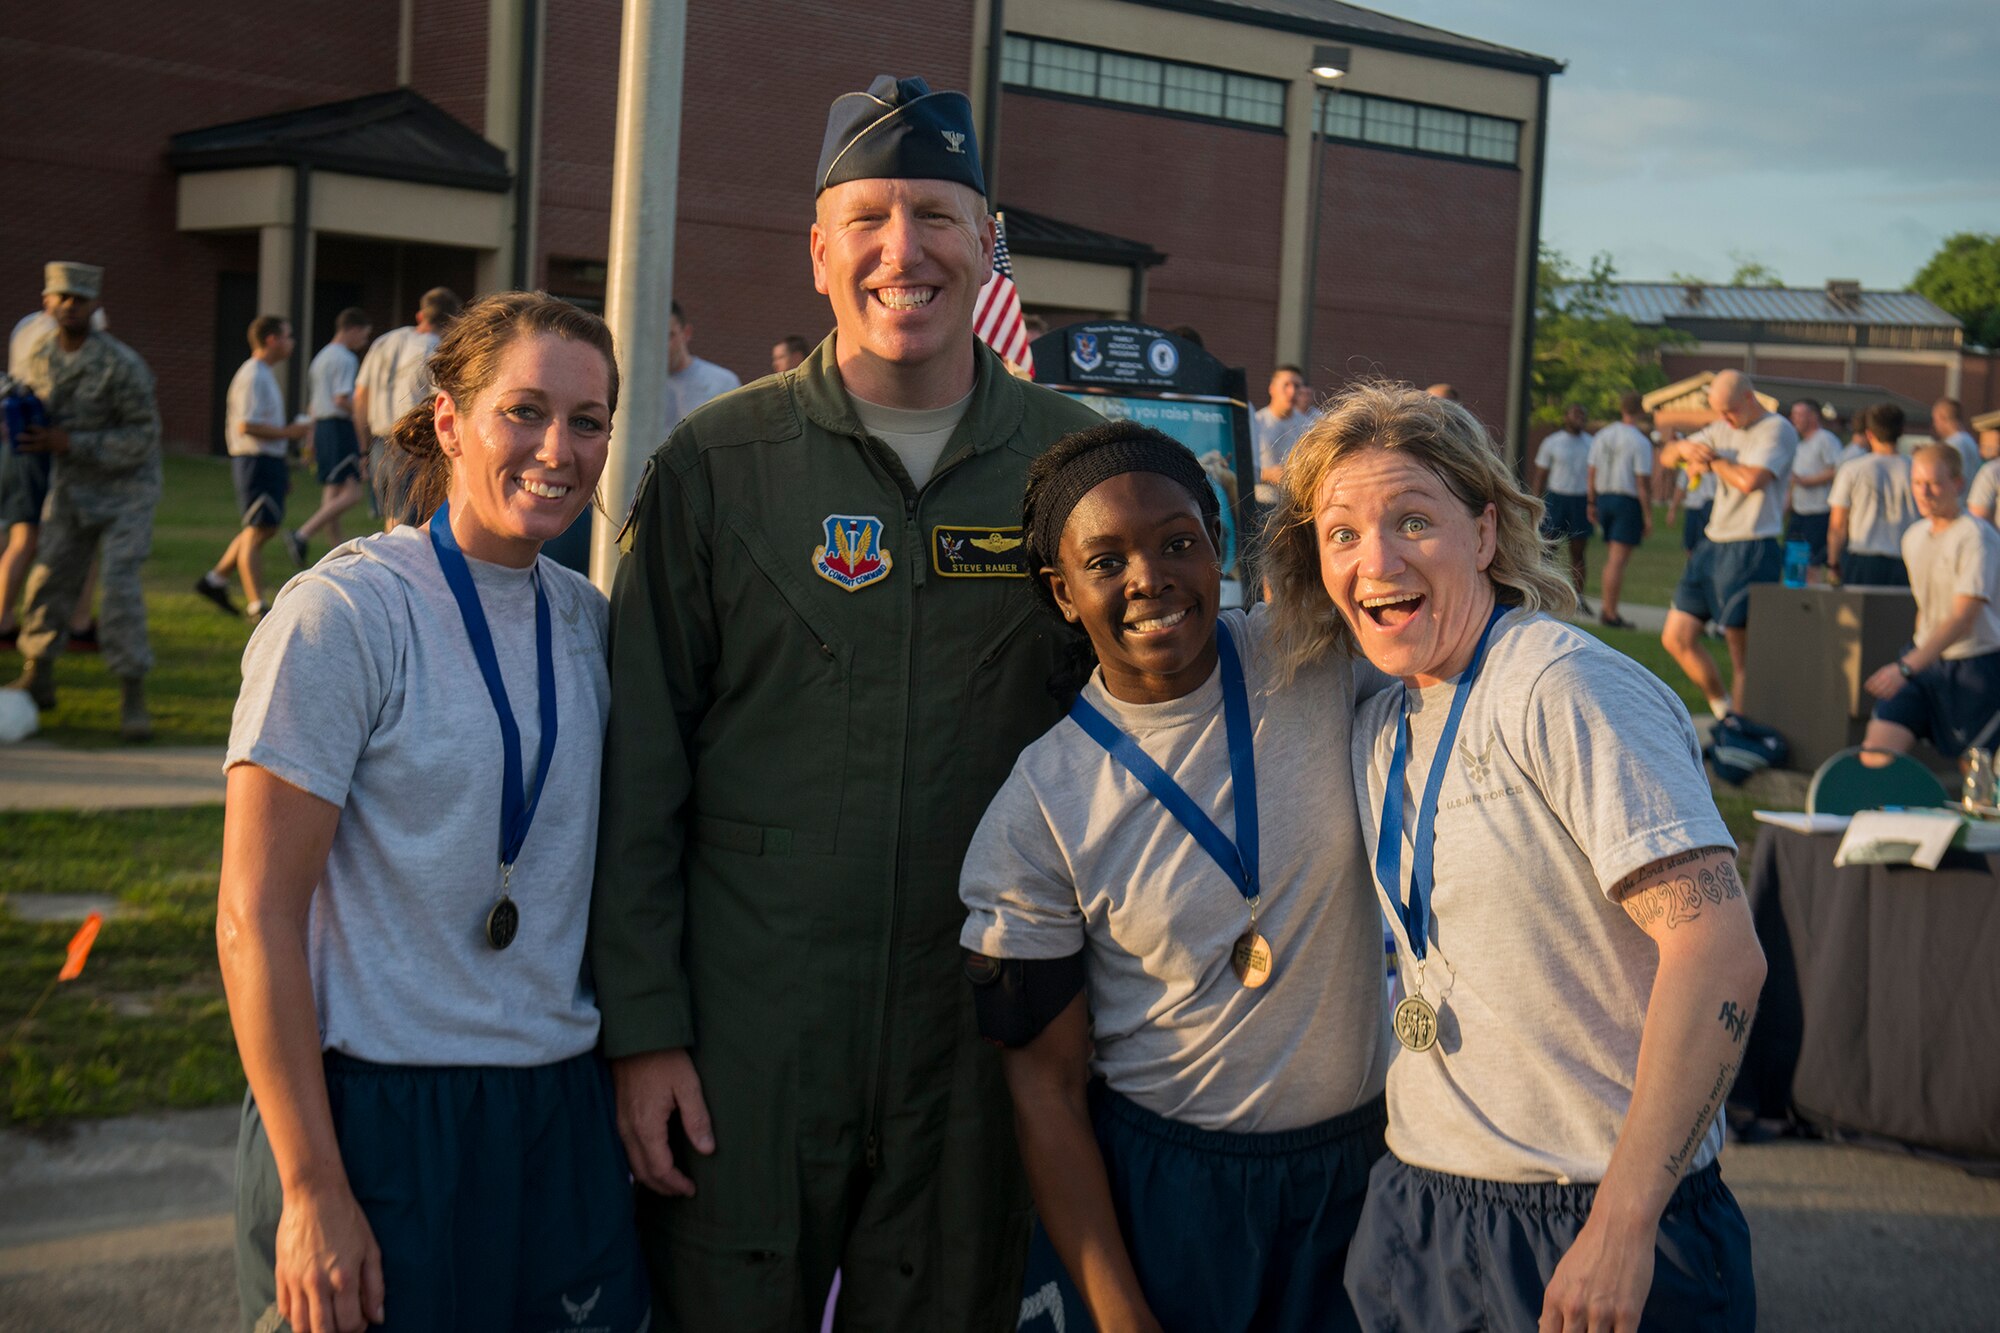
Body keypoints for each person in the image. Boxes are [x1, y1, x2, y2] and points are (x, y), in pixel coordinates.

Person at [589, 74, 1103, 1331]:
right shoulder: (719, 463)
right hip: (750, 1035)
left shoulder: (1076, 468)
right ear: (817, 249)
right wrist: (644, 1031)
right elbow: (638, 766)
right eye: (865, 216)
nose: (900, 249)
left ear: (985, 244)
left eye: (934, 213)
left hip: (976, 1040)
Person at [1262, 381, 1765, 1333]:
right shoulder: (1382, 720)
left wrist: (1622, 1224)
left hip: (1591, 1216)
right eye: (1341, 533)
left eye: (1414, 519)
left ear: (1486, 534)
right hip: (1425, 1205)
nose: (1377, 561)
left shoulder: (1561, 686)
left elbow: (1720, 953)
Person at [220, 292, 649, 1333]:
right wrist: (314, 1187)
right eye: (525, 410)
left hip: (557, 1110)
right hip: (380, 1114)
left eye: (587, 420)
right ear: (448, 421)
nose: (558, 448)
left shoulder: (593, 626)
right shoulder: (345, 614)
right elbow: (253, 917)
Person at [960, 421, 1388, 1333]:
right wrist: (1119, 1314)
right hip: (1172, 1192)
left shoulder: (1315, 655)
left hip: (1363, 1169)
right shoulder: (1040, 807)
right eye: (1105, 561)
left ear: (1220, 546)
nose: (1149, 578)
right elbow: (1045, 1091)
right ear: (1062, 592)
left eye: (1177, 543)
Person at [6, 262, 161, 740]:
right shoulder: (37, 356)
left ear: (95, 305)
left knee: (117, 590)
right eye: (62, 297)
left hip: (125, 491)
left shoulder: (121, 364)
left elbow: (144, 436)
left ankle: (132, 696)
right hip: (71, 489)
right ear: (47, 301)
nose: (71, 306)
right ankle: (39, 675)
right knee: (49, 579)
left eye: (80, 298)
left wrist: (69, 443)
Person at [1656, 370, 1798, 720]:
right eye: (1718, 412)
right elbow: (1666, 457)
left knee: (1742, 653)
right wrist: (1684, 448)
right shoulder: (1722, 427)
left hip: (1751, 545)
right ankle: (1725, 713)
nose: (1723, 419)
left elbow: (1751, 481)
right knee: (1676, 637)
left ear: (1750, 399)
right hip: (1713, 542)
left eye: (1730, 411)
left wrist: (1713, 461)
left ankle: (1741, 732)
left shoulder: (1777, 430)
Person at [1859, 443, 2000, 763]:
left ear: (1958, 484)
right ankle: (1886, 811)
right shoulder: (1913, 537)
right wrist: (1913, 658)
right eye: (1917, 483)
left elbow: (1963, 617)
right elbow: (1927, 608)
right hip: (1922, 663)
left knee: (1975, 771)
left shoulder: (1977, 537)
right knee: (1875, 756)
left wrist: (1906, 667)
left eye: (1934, 484)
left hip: (1974, 664)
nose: (1924, 493)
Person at [1, 294, 104, 652]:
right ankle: (77, 624)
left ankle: (6, 620)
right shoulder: (57, 336)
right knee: (81, 538)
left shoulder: (26, 326)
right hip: (51, 445)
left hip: (19, 442)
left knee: (22, 538)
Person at [194, 315, 309, 620]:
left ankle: (215, 580)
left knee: (262, 527)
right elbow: (247, 425)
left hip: (268, 460)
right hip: (254, 460)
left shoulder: (265, 373)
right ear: (271, 339)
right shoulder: (252, 375)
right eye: (287, 335)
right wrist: (289, 434)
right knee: (259, 529)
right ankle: (257, 603)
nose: (291, 342)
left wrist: (282, 462)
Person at [355, 286, 462, 527]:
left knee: (392, 517)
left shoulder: (384, 342)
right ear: (451, 321)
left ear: (421, 316)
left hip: (379, 443)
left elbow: (360, 395)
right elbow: (440, 401)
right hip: (414, 444)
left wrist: (363, 447)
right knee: (409, 523)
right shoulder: (436, 350)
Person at [285, 307, 373, 566]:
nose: (363, 342)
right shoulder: (345, 359)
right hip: (338, 427)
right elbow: (341, 399)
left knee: (333, 493)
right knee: (353, 492)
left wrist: (311, 437)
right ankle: (302, 534)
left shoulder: (320, 358)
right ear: (353, 329)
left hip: (322, 426)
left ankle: (335, 558)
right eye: (364, 336)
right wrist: (363, 414)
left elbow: (315, 403)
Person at [1828, 402, 1918, 587]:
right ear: (1901, 431)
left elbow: (1838, 525)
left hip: (1863, 558)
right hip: (1907, 559)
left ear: (1869, 434)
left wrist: (1833, 563)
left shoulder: (1852, 469)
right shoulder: (1917, 469)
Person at [1587, 391, 1653, 628]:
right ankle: (1610, 611)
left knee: (1611, 558)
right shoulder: (1639, 441)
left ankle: (1608, 608)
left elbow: (1592, 470)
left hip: (1604, 497)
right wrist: (1647, 515)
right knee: (1617, 560)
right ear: (1640, 410)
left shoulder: (1603, 435)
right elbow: (1641, 482)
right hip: (1626, 500)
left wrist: (1591, 500)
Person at [1531, 403, 1592, 609]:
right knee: (1547, 548)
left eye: (1582, 415)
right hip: (1557, 499)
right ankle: (1540, 593)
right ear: (1566, 417)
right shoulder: (1553, 442)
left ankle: (1579, 599)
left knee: (1578, 551)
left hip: (1580, 499)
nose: (1579, 418)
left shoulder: (1590, 444)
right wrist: (1536, 503)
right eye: (1575, 414)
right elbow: (1540, 474)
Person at [1786, 399, 1843, 574]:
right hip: (1799, 514)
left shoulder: (1826, 439)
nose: (1793, 419)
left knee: (1812, 565)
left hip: (1818, 513)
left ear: (1813, 416)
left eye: (1799, 414)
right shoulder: (1800, 445)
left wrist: (1806, 481)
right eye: (1793, 414)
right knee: (1793, 562)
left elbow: (1837, 470)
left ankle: (1812, 598)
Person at [664, 299, 740, 425]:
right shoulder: (636, 385)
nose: (663, 345)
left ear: (686, 333)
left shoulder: (722, 383)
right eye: (654, 336)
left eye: (669, 335)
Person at [1253, 364, 1314, 505]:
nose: (1292, 391)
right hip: (1263, 502)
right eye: (1286, 385)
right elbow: (1240, 468)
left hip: (1296, 504)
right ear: (1272, 389)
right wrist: (1266, 474)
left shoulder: (1309, 426)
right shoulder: (1256, 423)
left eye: (1297, 386)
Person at [1932, 397, 1980, 486]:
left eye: (1935, 420)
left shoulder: (1953, 445)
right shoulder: (1969, 441)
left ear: (1942, 417)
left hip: (1956, 498)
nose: (1935, 425)